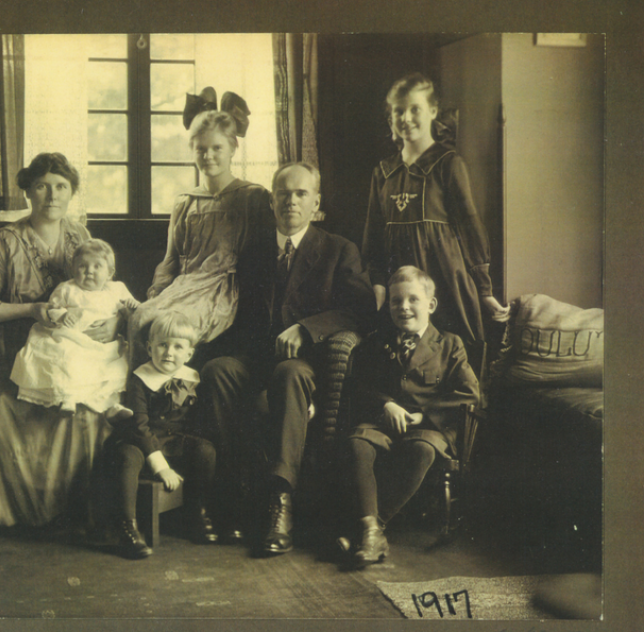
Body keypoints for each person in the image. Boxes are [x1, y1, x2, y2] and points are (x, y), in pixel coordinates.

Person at [199, 162, 377, 555]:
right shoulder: (254, 251)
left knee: (290, 374)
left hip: (306, 362)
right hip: (254, 356)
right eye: (283, 193)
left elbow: (362, 311)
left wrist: (308, 328)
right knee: (216, 372)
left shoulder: (337, 249)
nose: (291, 202)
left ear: (316, 203)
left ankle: (281, 500)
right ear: (271, 201)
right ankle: (235, 495)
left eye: (300, 194)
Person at [0, 152, 119, 529]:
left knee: (89, 402)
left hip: (72, 351)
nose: (52, 195)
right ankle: (33, 515)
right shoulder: (5, 242)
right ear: (28, 192)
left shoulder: (80, 236)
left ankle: (78, 511)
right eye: (42, 186)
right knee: (11, 405)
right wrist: (31, 311)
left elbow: (105, 292)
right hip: (13, 356)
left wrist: (110, 324)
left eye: (61, 187)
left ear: (72, 192)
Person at [338, 266, 479, 568]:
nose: (403, 308)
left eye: (413, 299)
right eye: (395, 301)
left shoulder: (450, 345)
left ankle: (368, 531)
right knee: (357, 444)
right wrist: (386, 404)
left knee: (422, 450)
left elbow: (470, 395)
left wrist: (422, 416)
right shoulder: (376, 342)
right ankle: (371, 532)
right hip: (381, 423)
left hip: (428, 429)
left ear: (431, 304)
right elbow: (358, 386)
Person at [128, 88, 273, 370]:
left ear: (233, 148)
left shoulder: (252, 197)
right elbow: (171, 260)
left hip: (221, 291)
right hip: (183, 287)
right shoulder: (186, 202)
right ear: (192, 151)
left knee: (171, 332)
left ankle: (173, 400)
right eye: (201, 149)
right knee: (139, 318)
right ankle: (139, 398)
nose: (209, 156)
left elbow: (263, 262)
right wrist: (157, 295)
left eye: (217, 148)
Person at [362, 72, 508, 350]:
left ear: (432, 111)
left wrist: (485, 290)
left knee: (452, 354)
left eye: (415, 109)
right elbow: (374, 237)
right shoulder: (383, 172)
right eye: (399, 111)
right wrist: (379, 284)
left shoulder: (448, 164)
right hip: (400, 287)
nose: (406, 118)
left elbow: (470, 227)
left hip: (446, 280)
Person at [108, 312, 218, 559]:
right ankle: (128, 527)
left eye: (178, 347)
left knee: (205, 450)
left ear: (189, 353)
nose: (169, 352)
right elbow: (140, 426)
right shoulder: (140, 378)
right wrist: (161, 468)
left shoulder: (192, 378)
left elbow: (198, 421)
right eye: (162, 345)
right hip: (141, 439)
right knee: (128, 456)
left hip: (174, 441)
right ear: (149, 348)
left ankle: (198, 511)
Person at [10, 238, 139, 419]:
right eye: (82, 266)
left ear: (110, 273)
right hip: (72, 337)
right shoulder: (67, 289)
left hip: (101, 342)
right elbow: (51, 309)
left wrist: (132, 305)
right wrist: (63, 314)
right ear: (73, 269)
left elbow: (129, 311)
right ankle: (67, 398)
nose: (89, 271)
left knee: (112, 366)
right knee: (68, 358)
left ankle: (112, 404)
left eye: (97, 266)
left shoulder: (116, 290)